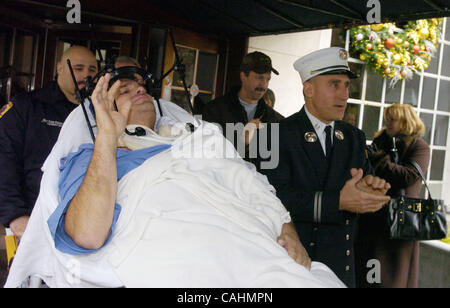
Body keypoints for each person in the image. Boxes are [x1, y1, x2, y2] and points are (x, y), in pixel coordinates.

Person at [5, 71, 346, 288]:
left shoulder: (197, 139)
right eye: (124, 89)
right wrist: (108, 139)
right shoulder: (90, 157)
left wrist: (286, 227)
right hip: (186, 261)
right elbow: (88, 236)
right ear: (101, 108)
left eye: (141, 85)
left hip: (252, 245)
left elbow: (250, 183)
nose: (140, 90)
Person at [255, 47, 392, 287]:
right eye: (334, 84)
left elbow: (361, 185)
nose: (344, 95)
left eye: (347, 86)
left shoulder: (354, 138)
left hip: (342, 270)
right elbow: (270, 200)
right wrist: (337, 202)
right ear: (308, 89)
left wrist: (371, 189)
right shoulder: (273, 136)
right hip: (297, 267)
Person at [0, 46, 98, 239]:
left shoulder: (97, 113)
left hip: (83, 222)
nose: (86, 75)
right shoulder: (27, 106)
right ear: (60, 68)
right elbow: (4, 160)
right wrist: (15, 215)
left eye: (92, 70)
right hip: (32, 218)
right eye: (78, 68)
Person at [355, 104, 430, 288]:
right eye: (386, 118)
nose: (387, 122)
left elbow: (408, 176)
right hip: (374, 216)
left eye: (392, 118)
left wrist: (379, 160)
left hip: (403, 218)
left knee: (396, 275)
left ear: (405, 120)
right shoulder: (381, 140)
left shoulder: (419, 145)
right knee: (368, 270)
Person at [202, 51, 284, 158]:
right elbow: (205, 153)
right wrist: (242, 141)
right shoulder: (215, 110)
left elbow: (279, 161)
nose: (264, 84)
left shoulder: (276, 120)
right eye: (259, 77)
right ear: (243, 76)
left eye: (267, 79)